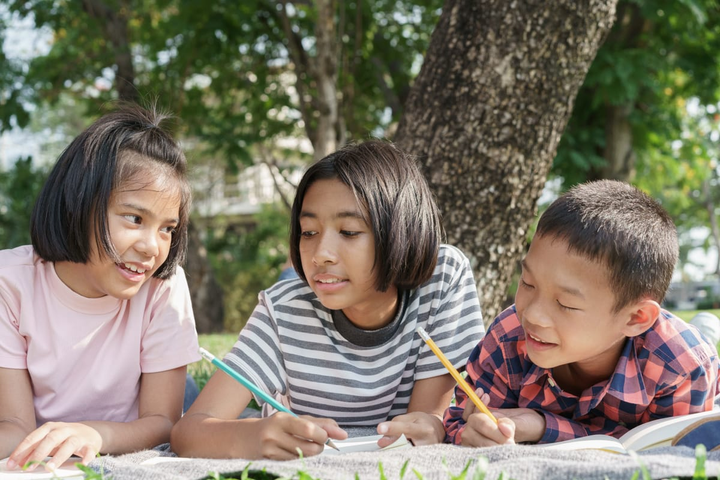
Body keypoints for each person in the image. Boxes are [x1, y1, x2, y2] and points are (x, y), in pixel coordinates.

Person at [171, 140, 485, 459]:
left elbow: (421, 426)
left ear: (402, 233)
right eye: (308, 232)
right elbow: (189, 433)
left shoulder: (442, 277)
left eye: (348, 232)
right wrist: (253, 434)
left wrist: (433, 425)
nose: (320, 254)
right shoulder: (284, 309)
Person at [444, 180, 720, 447]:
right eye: (527, 283)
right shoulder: (508, 336)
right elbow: (457, 422)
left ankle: (706, 328)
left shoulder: (680, 365)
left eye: (565, 303)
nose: (533, 315)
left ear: (635, 318)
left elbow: (674, 450)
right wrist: (476, 433)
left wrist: (540, 425)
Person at [0, 105, 200, 470]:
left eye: (167, 228)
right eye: (134, 218)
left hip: (130, 428)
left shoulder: (162, 287)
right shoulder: (9, 283)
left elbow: (163, 423)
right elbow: (15, 428)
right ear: (78, 202)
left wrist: (95, 435)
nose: (152, 247)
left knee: (194, 402)